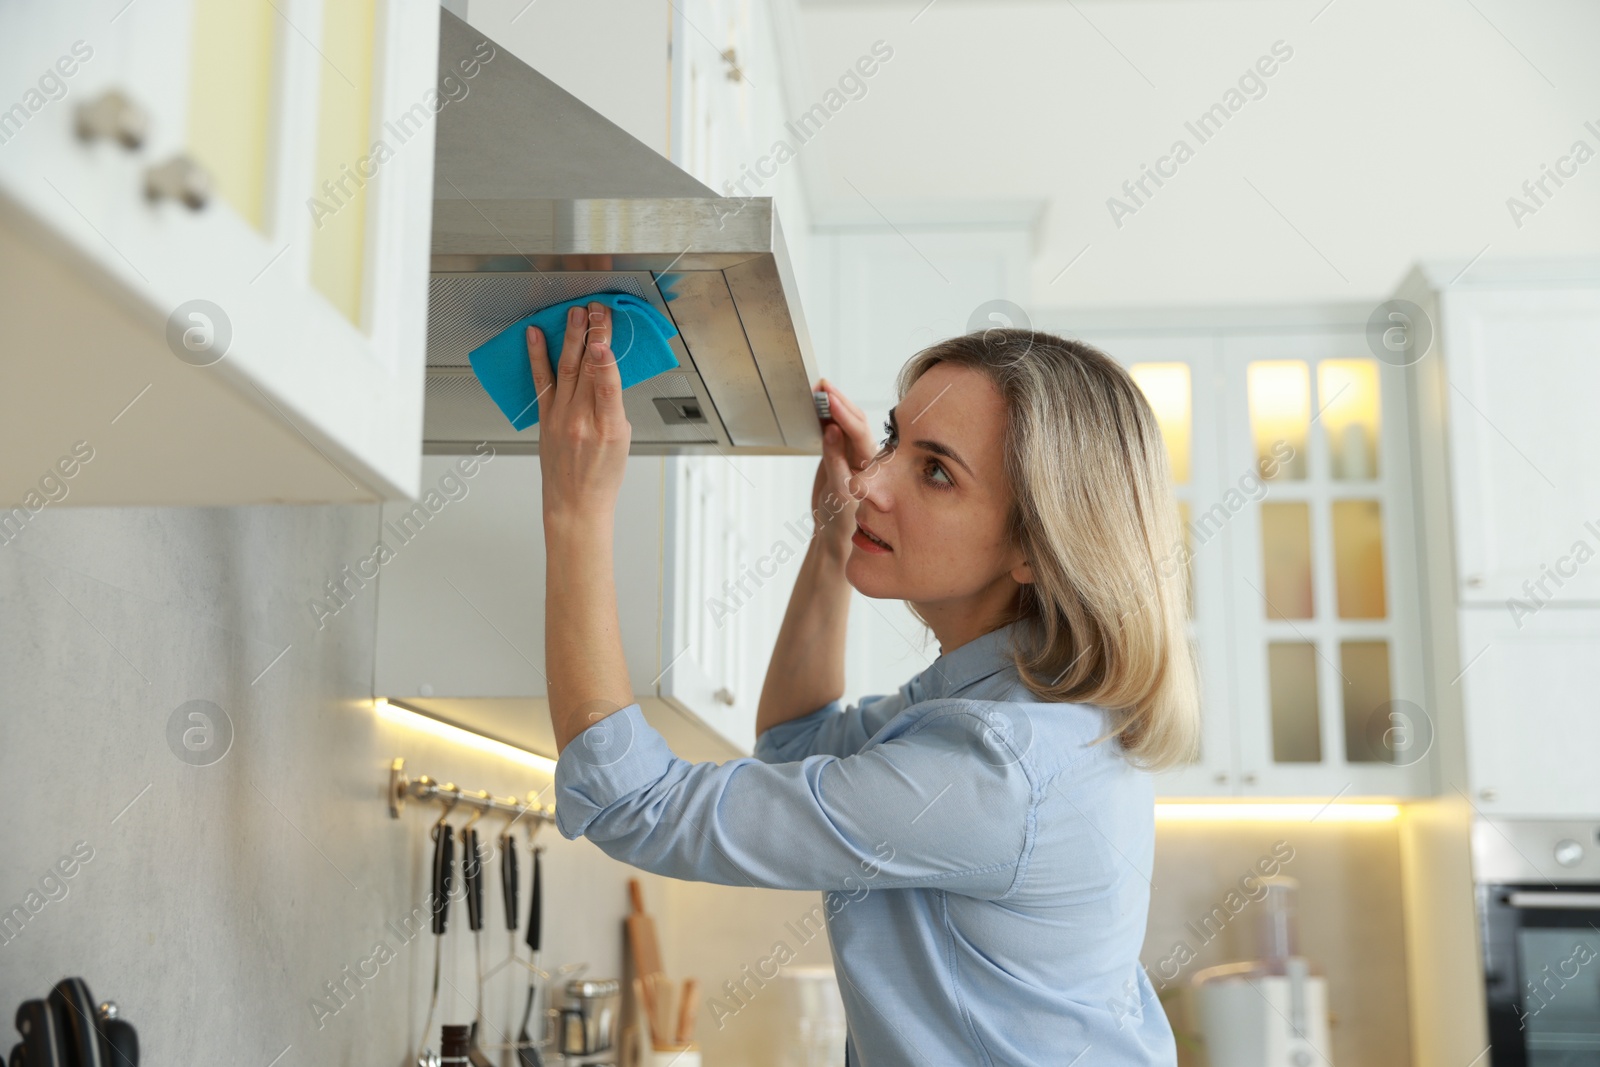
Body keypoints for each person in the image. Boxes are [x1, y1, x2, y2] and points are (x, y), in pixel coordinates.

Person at [530, 303, 1200, 1066]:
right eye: (893, 439)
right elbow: (793, 749)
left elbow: (632, 805)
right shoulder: (998, 703)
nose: (873, 479)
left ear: (1035, 547)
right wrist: (835, 536)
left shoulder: (995, 765)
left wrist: (574, 509)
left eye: (936, 470)